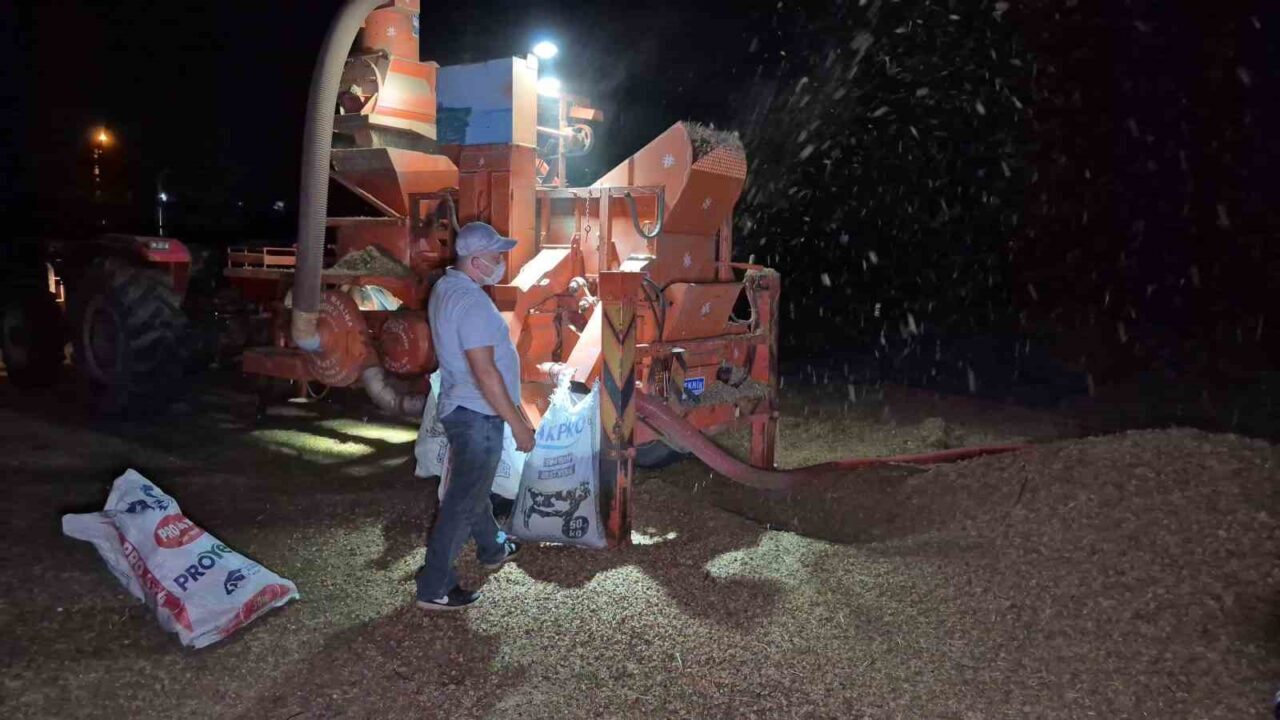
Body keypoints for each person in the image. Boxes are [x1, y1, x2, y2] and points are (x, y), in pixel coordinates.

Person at [415, 222, 536, 611]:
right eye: (496, 256)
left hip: (462, 406)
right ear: (476, 260)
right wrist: (518, 422)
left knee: (474, 487)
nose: (501, 262)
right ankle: (435, 587)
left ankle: (492, 547)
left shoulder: (446, 289)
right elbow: (485, 371)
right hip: (478, 414)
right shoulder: (470, 303)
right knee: (463, 500)